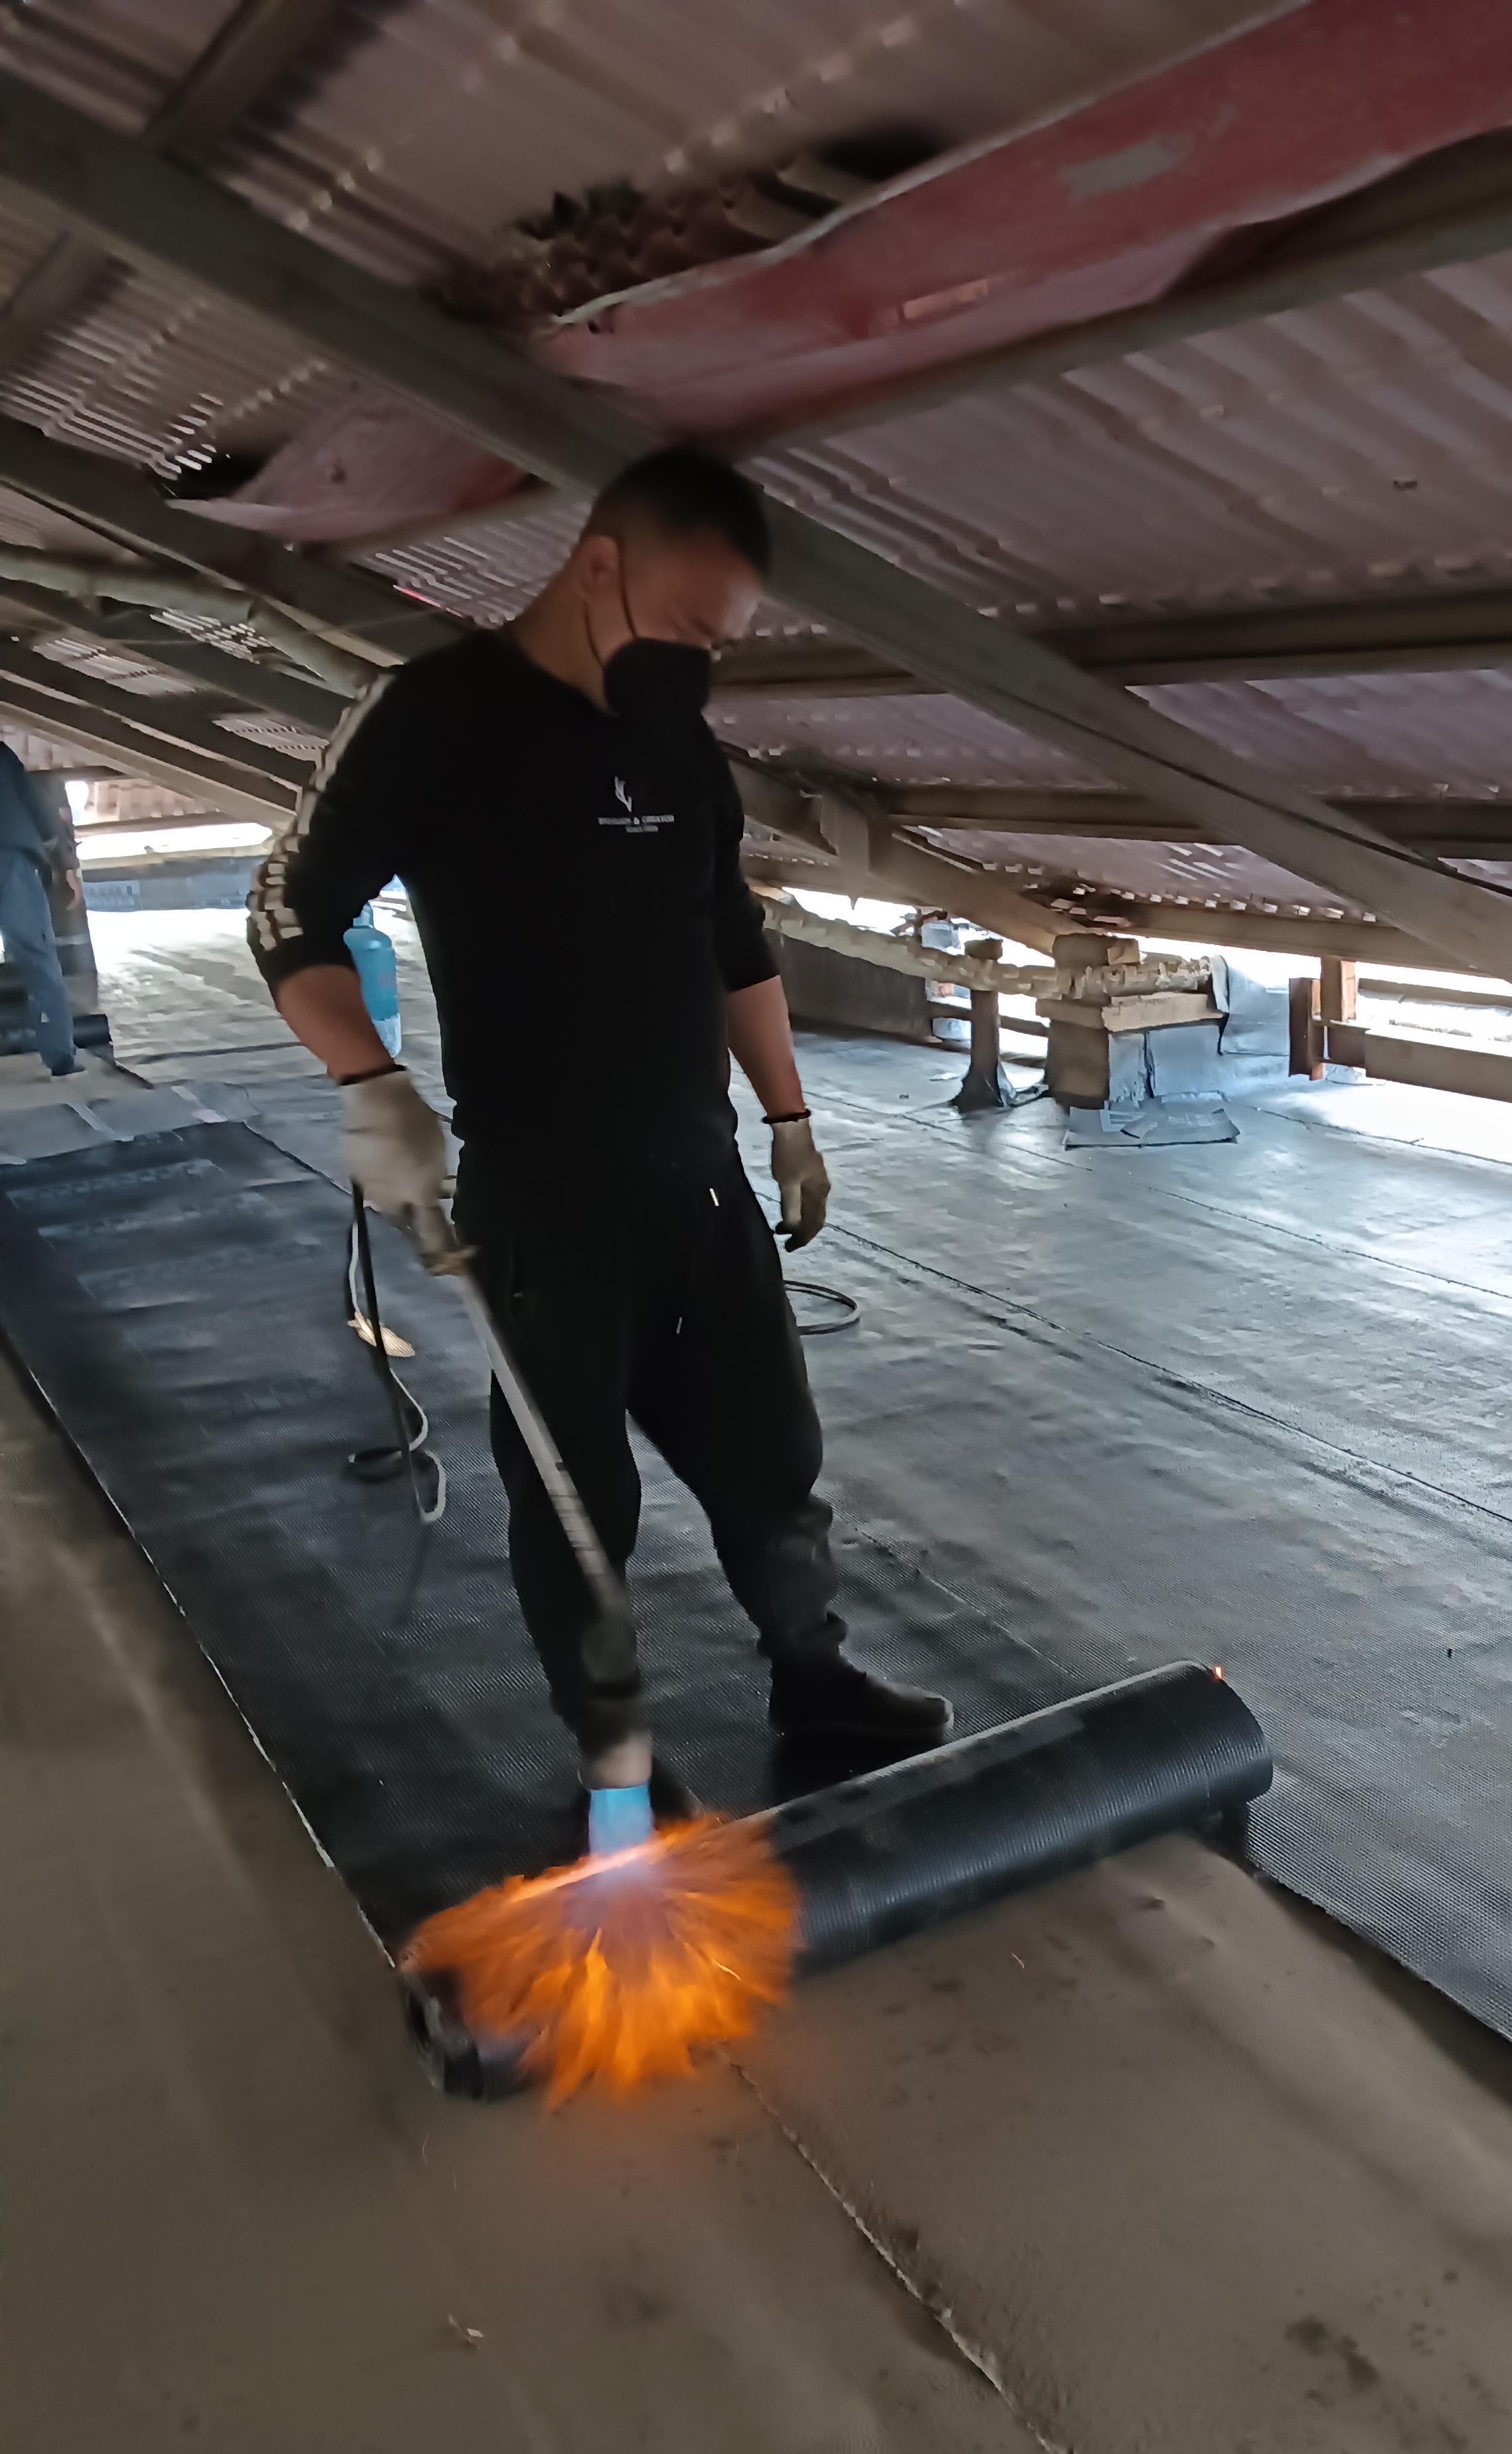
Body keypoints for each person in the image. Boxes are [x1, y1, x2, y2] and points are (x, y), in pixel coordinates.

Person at [248, 444, 951, 1835]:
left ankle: (814, 1680)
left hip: (700, 1189)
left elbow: (732, 939)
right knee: (578, 1502)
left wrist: (791, 1120)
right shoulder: (434, 716)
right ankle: (613, 1756)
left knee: (772, 1466)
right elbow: (289, 909)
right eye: (683, 625)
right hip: (544, 1206)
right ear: (597, 567)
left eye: (718, 643)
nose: (697, 662)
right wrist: (370, 1082)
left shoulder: (678, 743)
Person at [0, 743, 78, 1077]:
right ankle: (60, 1056)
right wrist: (65, 864)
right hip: (12, 859)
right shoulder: (1, 753)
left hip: (13, 856)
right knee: (38, 958)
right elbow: (37, 806)